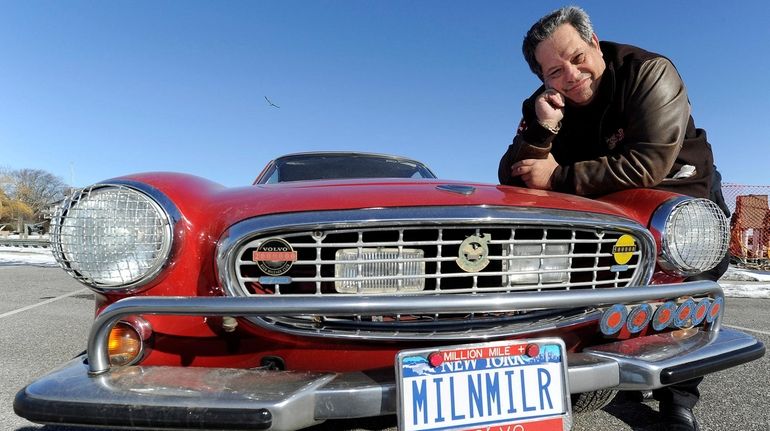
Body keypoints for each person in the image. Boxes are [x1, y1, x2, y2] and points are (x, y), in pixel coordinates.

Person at [498, 6, 728, 431]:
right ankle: (600, 370)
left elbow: (648, 162)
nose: (570, 74)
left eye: (576, 56)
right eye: (553, 71)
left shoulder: (649, 72)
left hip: (673, 201)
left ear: (594, 41)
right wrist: (540, 132)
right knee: (601, 297)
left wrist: (557, 176)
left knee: (680, 296)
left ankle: (678, 400)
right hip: (600, 212)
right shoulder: (545, 103)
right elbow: (511, 177)